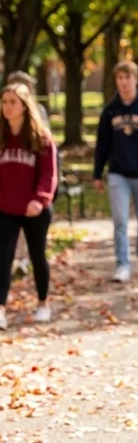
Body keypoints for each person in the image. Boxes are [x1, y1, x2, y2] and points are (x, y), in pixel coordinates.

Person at [93, 60, 138, 282]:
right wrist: (97, 173)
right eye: (119, 78)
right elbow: (102, 143)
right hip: (118, 173)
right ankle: (122, 265)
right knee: (120, 221)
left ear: (136, 79)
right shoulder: (110, 110)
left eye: (127, 78)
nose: (123, 82)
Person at [0, 83, 58, 330]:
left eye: (12, 102)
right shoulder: (1, 136)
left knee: (37, 256)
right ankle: (0, 308)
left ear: (24, 106)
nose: (7, 107)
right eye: (4, 102)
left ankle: (43, 303)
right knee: (3, 258)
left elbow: (49, 174)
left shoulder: (40, 137)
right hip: (5, 208)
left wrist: (40, 198)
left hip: (35, 209)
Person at [6, 71, 51, 276]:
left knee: (36, 249)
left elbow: (48, 159)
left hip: (33, 193)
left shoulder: (39, 118)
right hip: (9, 197)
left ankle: (24, 260)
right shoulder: (3, 126)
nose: (8, 105)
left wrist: (43, 195)